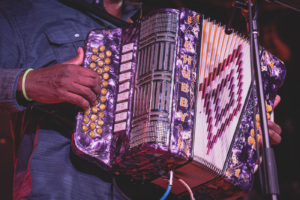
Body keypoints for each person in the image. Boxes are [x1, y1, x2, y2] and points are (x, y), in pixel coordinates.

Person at [0, 0, 282, 199]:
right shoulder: (27, 10)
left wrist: (239, 139)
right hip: (62, 190)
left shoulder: (174, 27)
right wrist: (29, 83)